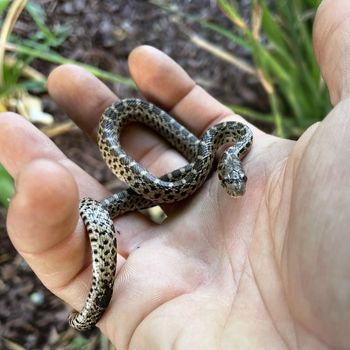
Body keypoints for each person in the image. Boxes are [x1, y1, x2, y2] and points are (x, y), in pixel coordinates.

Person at [0, 0, 349, 348]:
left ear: (236, 168)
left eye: (234, 181)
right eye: (230, 181)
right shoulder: (211, 151)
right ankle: (90, 289)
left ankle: (89, 298)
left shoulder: (236, 142)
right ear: (225, 170)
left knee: (112, 204)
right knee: (106, 189)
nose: (234, 187)